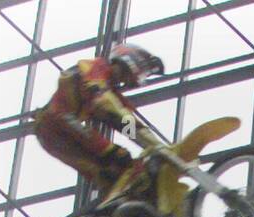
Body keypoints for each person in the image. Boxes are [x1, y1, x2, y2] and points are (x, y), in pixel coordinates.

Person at [32, 43, 165, 198]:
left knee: (106, 173)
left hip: (52, 133)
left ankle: (107, 209)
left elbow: (127, 122)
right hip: (57, 122)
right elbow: (108, 105)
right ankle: (116, 198)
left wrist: (155, 145)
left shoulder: (108, 88)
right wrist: (156, 147)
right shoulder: (97, 68)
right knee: (120, 157)